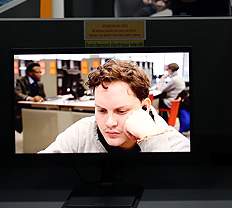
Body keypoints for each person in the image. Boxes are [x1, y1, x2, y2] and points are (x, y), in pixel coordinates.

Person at [40, 59, 189, 153]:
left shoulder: (176, 145)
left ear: (144, 107)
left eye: (121, 111)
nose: (110, 123)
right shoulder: (80, 133)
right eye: (101, 110)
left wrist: (152, 142)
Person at [14, 62, 46, 133]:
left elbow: (43, 96)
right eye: (38, 72)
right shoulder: (20, 82)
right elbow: (18, 94)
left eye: (41, 72)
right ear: (30, 73)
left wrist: (40, 98)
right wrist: (31, 98)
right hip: (23, 111)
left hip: (37, 112)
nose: (40, 75)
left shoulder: (40, 84)